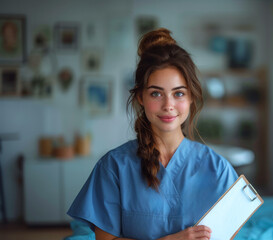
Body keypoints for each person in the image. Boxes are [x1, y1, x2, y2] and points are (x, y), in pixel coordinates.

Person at [67, 28, 238, 240]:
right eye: (156, 93)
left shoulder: (218, 170)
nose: (168, 105)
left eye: (179, 93)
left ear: (192, 97)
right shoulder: (113, 167)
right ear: (140, 97)